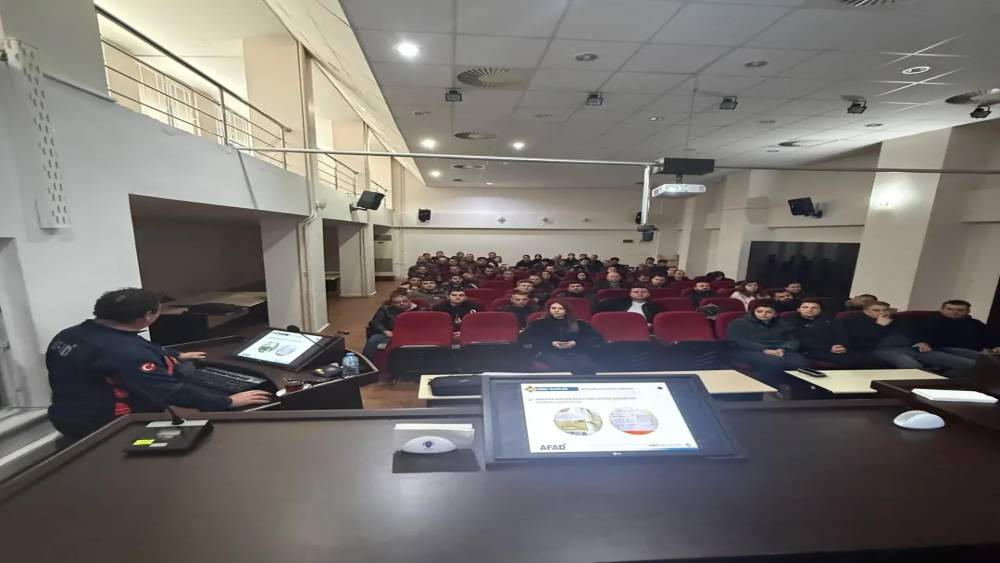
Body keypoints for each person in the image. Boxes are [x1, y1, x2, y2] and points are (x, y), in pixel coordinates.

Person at [46, 289, 273, 440]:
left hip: (67, 414)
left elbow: (128, 348)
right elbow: (170, 391)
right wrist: (229, 401)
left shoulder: (71, 334)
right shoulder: (125, 351)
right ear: (147, 316)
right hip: (110, 425)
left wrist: (175, 355)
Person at [842, 301, 975, 373]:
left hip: (911, 347)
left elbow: (914, 332)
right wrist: (879, 326)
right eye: (876, 310)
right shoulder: (857, 321)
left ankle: (946, 384)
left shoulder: (899, 319)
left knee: (967, 364)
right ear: (866, 312)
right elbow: (863, 342)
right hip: (882, 350)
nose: (881, 312)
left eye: (884, 310)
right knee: (912, 366)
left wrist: (921, 341)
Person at [725, 301, 809, 377]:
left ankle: (792, 386)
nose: (764, 314)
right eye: (759, 311)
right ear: (753, 312)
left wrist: (783, 349)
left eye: (769, 312)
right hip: (748, 350)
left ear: (775, 314)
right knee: (774, 362)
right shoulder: (739, 322)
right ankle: (767, 385)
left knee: (800, 362)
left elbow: (792, 340)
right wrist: (764, 350)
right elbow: (739, 340)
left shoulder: (782, 323)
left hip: (779, 350)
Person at [786, 299, 878, 368]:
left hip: (837, 348)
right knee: (850, 362)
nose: (810, 310)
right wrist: (829, 348)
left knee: (870, 360)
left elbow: (841, 333)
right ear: (799, 309)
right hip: (812, 350)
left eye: (814, 308)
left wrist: (842, 345)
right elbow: (800, 340)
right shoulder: (792, 321)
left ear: (820, 310)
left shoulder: (829, 319)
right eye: (805, 307)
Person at [519, 301, 602, 373]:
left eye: (560, 308)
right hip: (547, 351)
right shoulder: (538, 323)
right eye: (553, 308)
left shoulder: (581, 324)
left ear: (567, 310)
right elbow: (525, 338)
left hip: (575, 351)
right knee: (562, 364)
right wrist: (550, 343)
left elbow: (596, 338)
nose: (556, 310)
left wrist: (575, 343)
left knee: (584, 364)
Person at [923, 300, 1000, 360]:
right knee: (982, 362)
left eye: (960, 310)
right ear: (941, 309)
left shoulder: (976, 323)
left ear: (968, 311)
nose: (954, 312)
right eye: (950, 309)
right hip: (940, 350)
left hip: (972, 351)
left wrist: (995, 346)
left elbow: (989, 337)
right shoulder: (932, 320)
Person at [363, 292, 420, 357]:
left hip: (413, 335)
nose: (402, 303)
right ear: (392, 304)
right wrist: (385, 331)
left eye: (404, 301)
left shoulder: (420, 310)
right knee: (374, 339)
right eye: (398, 302)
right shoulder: (386, 309)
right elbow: (376, 322)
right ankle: (365, 361)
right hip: (391, 334)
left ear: (410, 301)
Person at [595, 286, 661, 323]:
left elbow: (655, 321)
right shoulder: (619, 302)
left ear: (648, 294)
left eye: (643, 292)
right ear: (630, 294)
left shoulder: (654, 306)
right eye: (636, 292)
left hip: (642, 327)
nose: (640, 293)